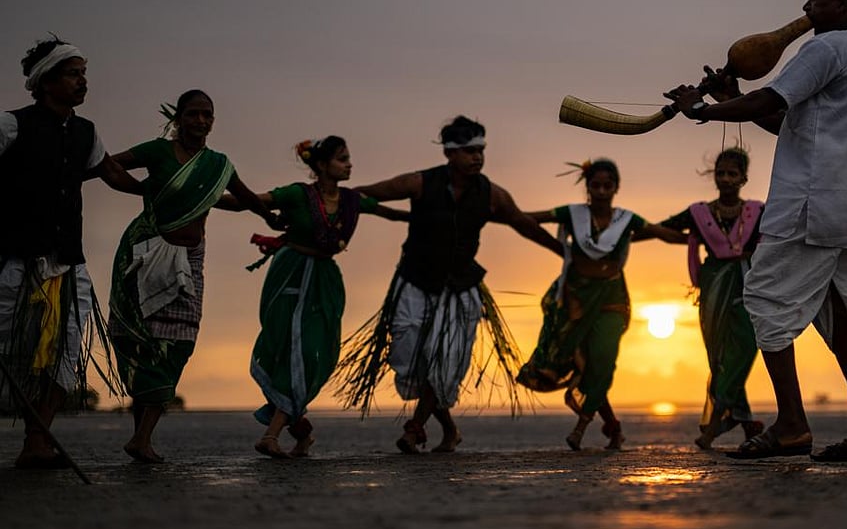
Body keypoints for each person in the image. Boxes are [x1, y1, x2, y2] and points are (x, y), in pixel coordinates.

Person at [666, 0, 847, 462]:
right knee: (846, 324)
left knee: (765, 302)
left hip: (811, 209)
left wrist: (701, 109)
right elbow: (791, 125)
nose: (805, 6)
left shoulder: (826, 47)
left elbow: (769, 102)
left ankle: (792, 425)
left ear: (843, 2)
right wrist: (736, 97)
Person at [335, 116, 562, 453]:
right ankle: (450, 430)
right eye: (470, 151)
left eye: (481, 151)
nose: (478, 157)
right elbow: (364, 194)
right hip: (414, 280)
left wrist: (564, 252)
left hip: (460, 287)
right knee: (408, 357)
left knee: (446, 362)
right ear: (450, 153)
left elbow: (524, 224)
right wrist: (327, 207)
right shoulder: (419, 183)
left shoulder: (492, 194)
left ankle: (414, 428)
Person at [107, 89, 282, 463]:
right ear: (179, 118)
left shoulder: (217, 165)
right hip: (147, 253)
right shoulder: (157, 152)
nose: (201, 122)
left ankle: (142, 436)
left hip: (191, 261)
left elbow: (244, 197)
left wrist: (268, 216)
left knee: (179, 343)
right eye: (193, 115)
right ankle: (142, 437)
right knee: (144, 341)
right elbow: (108, 164)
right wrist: (138, 188)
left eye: (207, 115)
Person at [0, 37, 142, 468]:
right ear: (45, 81)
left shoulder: (86, 131)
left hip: (66, 263)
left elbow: (112, 173)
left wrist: (159, 193)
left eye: (83, 73)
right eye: (73, 73)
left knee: (64, 351)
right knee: (8, 347)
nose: (83, 81)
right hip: (14, 261)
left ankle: (37, 442)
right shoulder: (11, 125)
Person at [242, 137, 407, 458]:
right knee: (290, 351)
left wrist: (439, 218)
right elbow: (250, 200)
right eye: (342, 159)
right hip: (289, 272)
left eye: (349, 158)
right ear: (321, 165)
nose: (349, 164)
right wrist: (203, 197)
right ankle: (276, 435)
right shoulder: (297, 194)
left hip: (324, 281)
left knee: (312, 351)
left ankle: (284, 434)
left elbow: (392, 215)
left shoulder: (351, 200)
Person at [518, 158, 683, 450]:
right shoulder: (571, 214)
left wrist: (702, 239)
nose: (602, 191)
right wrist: (556, 246)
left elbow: (664, 235)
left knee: (603, 360)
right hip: (575, 298)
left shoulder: (626, 220)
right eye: (596, 185)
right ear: (587, 187)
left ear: (617, 187)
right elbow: (528, 218)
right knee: (587, 364)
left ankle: (581, 426)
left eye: (608, 185)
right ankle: (614, 428)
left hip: (611, 299)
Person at [659, 147, 765, 449]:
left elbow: (779, 238)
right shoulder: (700, 214)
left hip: (749, 287)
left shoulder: (758, 211)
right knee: (718, 357)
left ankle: (716, 421)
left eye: (733, 174)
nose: (726, 179)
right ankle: (746, 422)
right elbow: (663, 229)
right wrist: (693, 238)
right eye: (721, 173)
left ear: (744, 178)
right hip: (713, 290)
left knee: (744, 349)